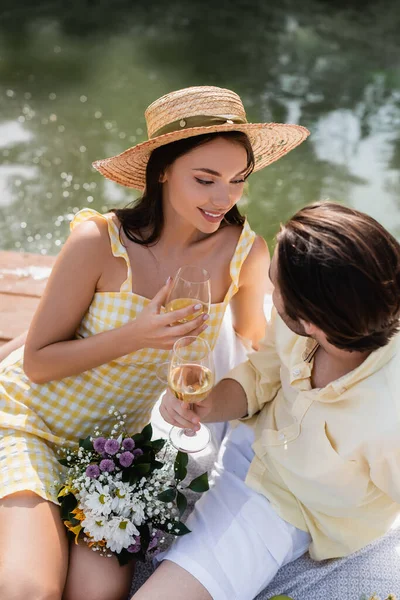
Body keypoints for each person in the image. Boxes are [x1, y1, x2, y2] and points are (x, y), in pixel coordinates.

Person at [0, 85, 309, 600]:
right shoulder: (98, 242)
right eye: (205, 179)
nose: (223, 198)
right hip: (32, 423)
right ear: (162, 170)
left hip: (114, 455)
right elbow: (36, 363)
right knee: (29, 588)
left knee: (97, 594)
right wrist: (135, 335)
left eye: (237, 181)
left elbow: (258, 352)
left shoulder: (244, 253)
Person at [137, 201, 400, 600]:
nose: (268, 291)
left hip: (284, 505)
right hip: (249, 436)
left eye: (274, 287)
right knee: (202, 321)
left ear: (313, 320)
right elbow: (263, 372)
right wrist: (209, 403)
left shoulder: (388, 418)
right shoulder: (312, 323)